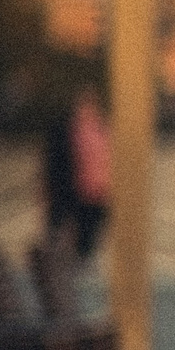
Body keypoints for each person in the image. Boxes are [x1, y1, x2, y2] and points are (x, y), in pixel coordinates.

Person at [42, 87, 112, 263]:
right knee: (59, 241)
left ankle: (77, 269)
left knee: (86, 245)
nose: (87, 108)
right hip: (69, 195)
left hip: (96, 197)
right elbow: (54, 165)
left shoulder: (104, 130)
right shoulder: (63, 131)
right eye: (84, 104)